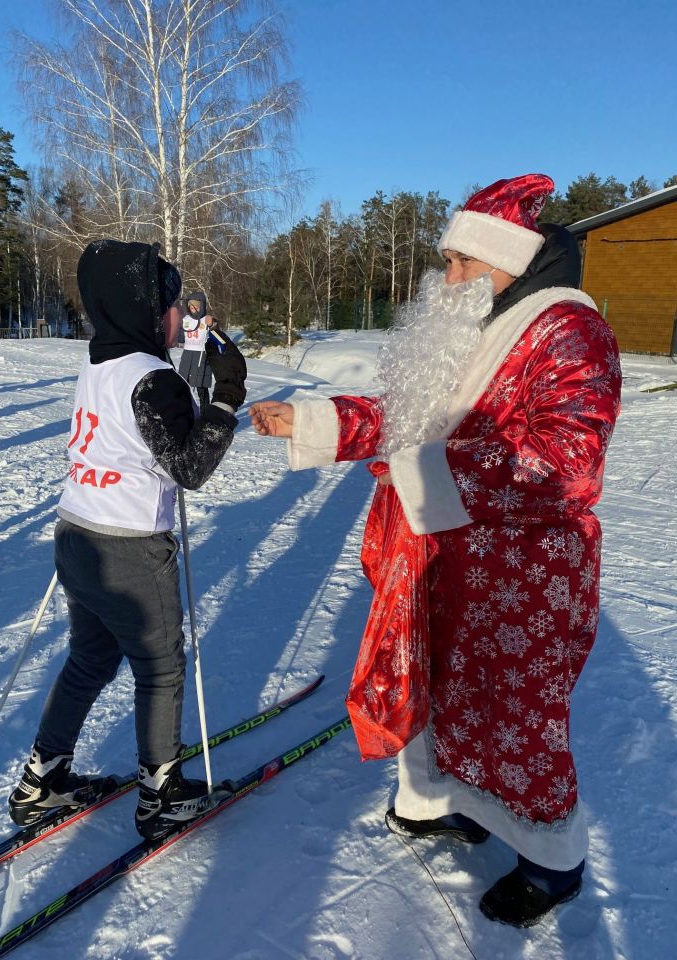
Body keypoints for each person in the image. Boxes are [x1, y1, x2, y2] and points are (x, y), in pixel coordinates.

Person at [249, 175, 622, 927]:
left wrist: (427, 472)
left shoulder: (571, 334)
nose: (444, 279)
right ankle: (448, 803)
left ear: (507, 263)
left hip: (522, 577)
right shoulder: (475, 325)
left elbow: (565, 459)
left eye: (459, 263)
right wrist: (315, 421)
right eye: (444, 261)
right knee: (441, 690)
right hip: (442, 559)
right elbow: (408, 415)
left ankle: (553, 862)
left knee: (516, 717)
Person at [8, 239, 247, 840]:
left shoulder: (101, 360)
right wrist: (226, 398)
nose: (178, 317)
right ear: (145, 310)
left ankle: (44, 778)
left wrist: (194, 381)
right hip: (129, 546)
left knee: (90, 658)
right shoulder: (150, 379)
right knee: (161, 667)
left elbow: (150, 427)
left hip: (77, 534)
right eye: (170, 306)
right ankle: (161, 795)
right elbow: (190, 466)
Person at [178, 291, 214, 414]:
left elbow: (216, 331)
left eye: (196, 306)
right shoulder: (185, 320)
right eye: (191, 306)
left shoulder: (206, 319)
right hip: (187, 355)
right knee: (184, 383)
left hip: (201, 355)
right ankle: (185, 411)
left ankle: (205, 413)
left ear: (201, 306)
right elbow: (180, 337)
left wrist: (213, 324)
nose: (193, 309)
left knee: (201, 385)